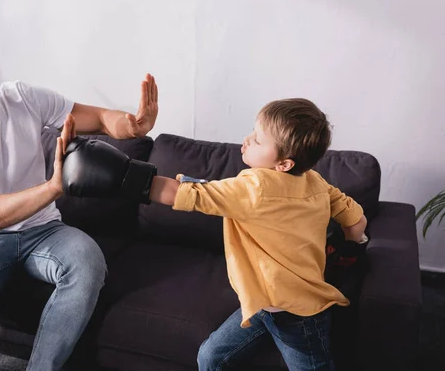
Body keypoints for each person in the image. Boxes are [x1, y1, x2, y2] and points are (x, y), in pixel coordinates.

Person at [0, 20, 158, 371]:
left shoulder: (20, 98)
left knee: (88, 263)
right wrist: (51, 187)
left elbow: (97, 118)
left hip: (45, 230)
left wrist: (132, 125)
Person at [61, 98, 368, 370]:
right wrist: (353, 245)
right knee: (211, 358)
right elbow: (354, 217)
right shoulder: (315, 181)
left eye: (258, 140)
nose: (246, 140)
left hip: (298, 316)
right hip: (262, 304)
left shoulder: (255, 187)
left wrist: (124, 175)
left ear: (283, 164)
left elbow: (184, 194)